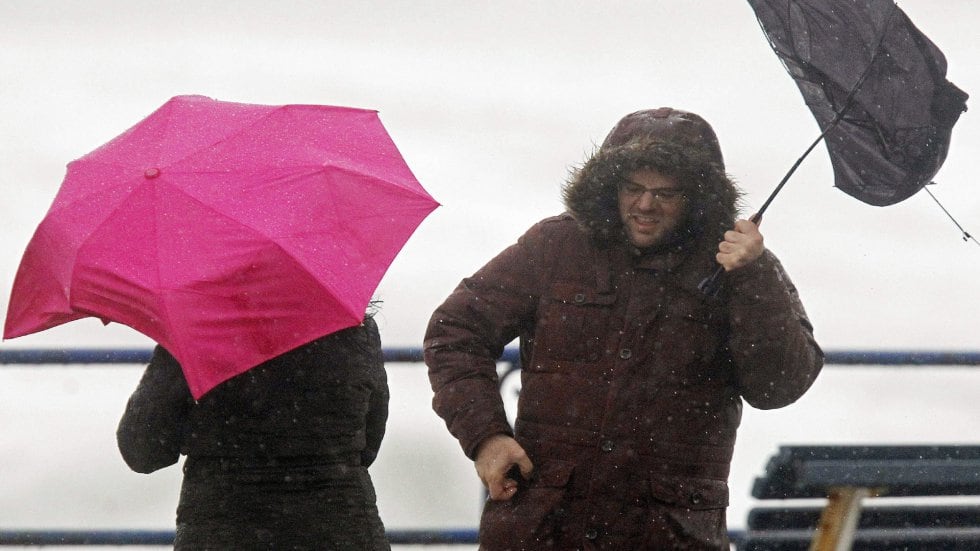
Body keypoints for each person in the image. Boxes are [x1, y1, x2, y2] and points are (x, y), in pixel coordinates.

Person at [423, 108, 823, 550]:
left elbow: (779, 387)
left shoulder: (742, 267)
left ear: (697, 196)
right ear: (609, 186)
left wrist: (754, 276)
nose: (645, 205)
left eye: (665, 194)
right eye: (633, 188)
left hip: (668, 534)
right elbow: (455, 331)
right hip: (543, 528)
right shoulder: (556, 246)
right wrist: (487, 438)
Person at [117, 314, 390, 550]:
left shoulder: (198, 330)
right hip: (344, 530)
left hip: (224, 532)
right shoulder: (354, 327)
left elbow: (143, 450)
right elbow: (369, 443)